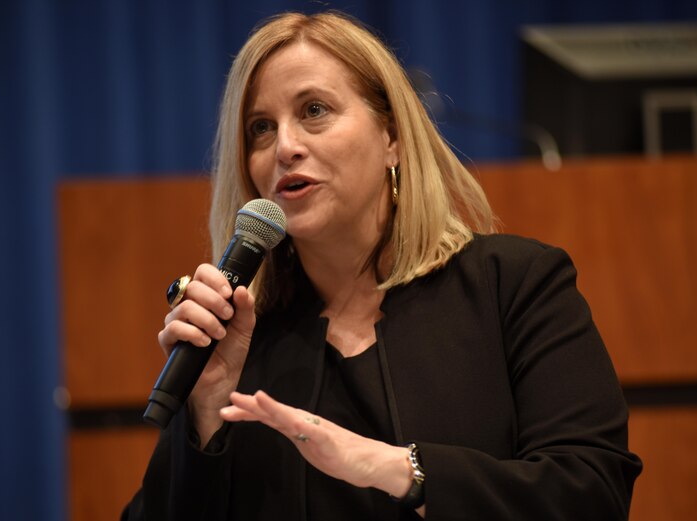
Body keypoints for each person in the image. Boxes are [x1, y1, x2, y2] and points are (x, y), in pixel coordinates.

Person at [122, 10, 641, 521]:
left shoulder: (514, 285)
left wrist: (392, 467)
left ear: (391, 138)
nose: (284, 147)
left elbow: (591, 491)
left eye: (315, 110)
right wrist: (206, 413)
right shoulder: (242, 337)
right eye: (261, 127)